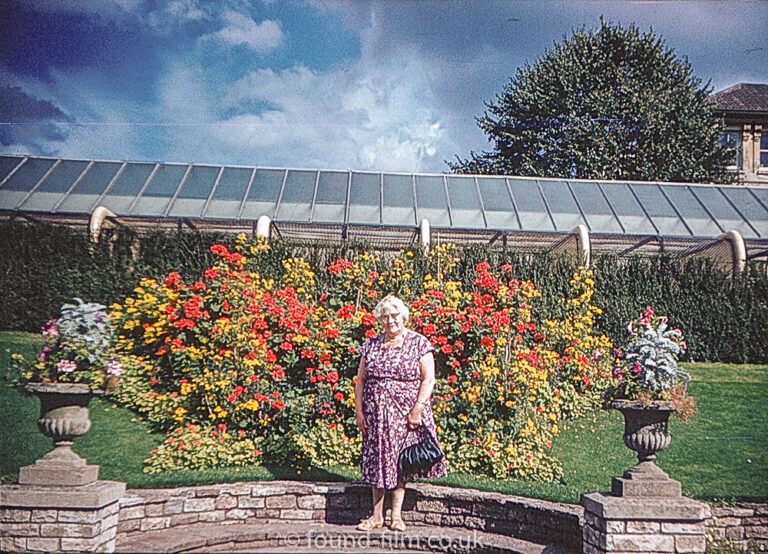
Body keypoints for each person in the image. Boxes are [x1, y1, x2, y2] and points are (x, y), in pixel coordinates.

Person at [354, 294, 447, 532]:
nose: (390, 321)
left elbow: (428, 379)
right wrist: (359, 412)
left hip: (405, 415)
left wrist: (417, 410)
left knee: (400, 463)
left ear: (402, 316)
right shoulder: (371, 344)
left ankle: (396, 516)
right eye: (385, 317)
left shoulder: (419, 343)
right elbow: (361, 380)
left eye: (394, 315)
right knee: (377, 461)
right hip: (376, 415)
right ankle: (376, 516)